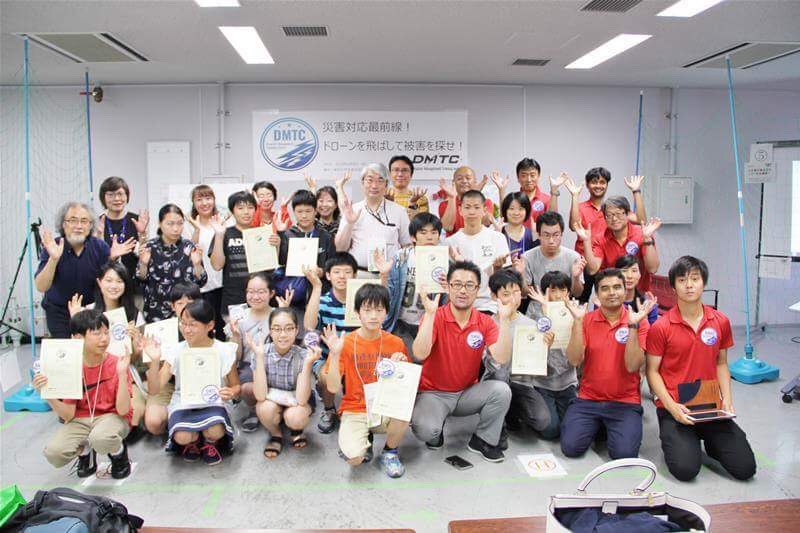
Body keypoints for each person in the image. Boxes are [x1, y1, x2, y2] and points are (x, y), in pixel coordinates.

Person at [646, 256, 756, 481]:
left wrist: (726, 399)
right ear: (673, 287)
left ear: (703, 283)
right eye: (682, 280)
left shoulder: (720, 321)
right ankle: (680, 437)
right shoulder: (661, 327)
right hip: (675, 406)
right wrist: (672, 407)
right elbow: (652, 371)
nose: (689, 285)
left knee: (745, 469)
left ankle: (713, 444)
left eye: (695, 279)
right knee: (685, 470)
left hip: (709, 405)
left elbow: (721, 363)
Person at [411, 261, 514, 462]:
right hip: (434, 393)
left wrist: (504, 320)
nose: (463, 290)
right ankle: (437, 427)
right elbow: (419, 354)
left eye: (469, 285)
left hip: (466, 393)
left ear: (478, 290)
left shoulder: (484, 321)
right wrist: (430, 315)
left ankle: (482, 440)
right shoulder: (435, 316)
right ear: (448, 287)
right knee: (426, 431)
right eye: (457, 284)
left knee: (502, 390)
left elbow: (501, 357)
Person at [560, 268, 656, 460]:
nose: (612, 292)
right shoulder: (586, 320)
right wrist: (577, 322)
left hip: (625, 402)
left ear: (625, 291)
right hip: (588, 399)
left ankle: (605, 427)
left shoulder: (639, 321)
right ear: (597, 294)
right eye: (605, 288)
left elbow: (632, 366)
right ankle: (600, 426)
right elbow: (574, 360)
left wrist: (633, 327)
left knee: (624, 455)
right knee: (571, 448)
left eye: (617, 287)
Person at [322, 284, 411, 477]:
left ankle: (390, 452)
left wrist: (400, 367)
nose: (373, 316)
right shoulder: (345, 343)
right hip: (355, 408)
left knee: (403, 411)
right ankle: (363, 441)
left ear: (386, 312)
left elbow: (406, 388)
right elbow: (333, 387)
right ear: (357, 313)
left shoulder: (396, 343)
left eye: (379, 310)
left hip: (385, 406)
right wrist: (335, 355)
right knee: (354, 459)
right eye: (367, 310)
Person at [35, 309, 133, 479]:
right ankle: (86, 451)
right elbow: (68, 414)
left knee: (101, 439)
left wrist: (122, 375)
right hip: (80, 419)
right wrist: (46, 394)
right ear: (78, 338)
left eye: (106, 333)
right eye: (97, 333)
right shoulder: (71, 366)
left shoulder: (117, 363)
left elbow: (123, 410)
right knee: (54, 453)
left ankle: (119, 453)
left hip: (112, 416)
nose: (104, 339)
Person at [144, 300, 240, 465]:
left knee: (214, 431)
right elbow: (154, 389)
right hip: (184, 401)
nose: (186, 329)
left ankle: (210, 442)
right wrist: (154, 361)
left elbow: (236, 386)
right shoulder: (176, 350)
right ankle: (193, 442)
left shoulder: (223, 350)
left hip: (214, 401)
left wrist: (231, 392)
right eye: (183, 323)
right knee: (183, 437)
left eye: (193, 325)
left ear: (210, 325)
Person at [66, 262, 145, 435]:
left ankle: (109, 430)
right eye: (109, 280)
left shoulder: (134, 314)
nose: (114, 286)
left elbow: (134, 360)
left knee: (134, 415)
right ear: (99, 282)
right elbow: (75, 354)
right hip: (93, 374)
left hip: (123, 373)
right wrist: (76, 320)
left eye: (119, 281)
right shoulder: (87, 311)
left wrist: (135, 344)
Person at [35, 202, 129, 338]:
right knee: (68, 349)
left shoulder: (100, 247)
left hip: (92, 311)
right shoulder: (53, 246)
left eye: (84, 221)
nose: (79, 226)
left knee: (94, 348)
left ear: (90, 226)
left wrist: (112, 258)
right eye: (73, 220)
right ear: (63, 224)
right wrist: (53, 259)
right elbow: (41, 287)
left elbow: (107, 280)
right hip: (59, 313)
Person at [482, 269, 553, 448]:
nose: (513, 299)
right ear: (494, 296)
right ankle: (497, 424)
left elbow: (540, 367)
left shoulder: (532, 325)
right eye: (506, 294)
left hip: (522, 383)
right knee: (500, 375)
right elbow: (486, 363)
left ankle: (512, 412)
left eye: (516, 293)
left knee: (542, 420)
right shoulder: (487, 324)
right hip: (495, 384)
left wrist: (545, 348)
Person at [245, 308, 319, 459]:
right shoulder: (260, 352)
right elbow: (260, 395)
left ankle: (296, 429)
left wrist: (307, 365)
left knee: (296, 417)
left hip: (297, 398)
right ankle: (276, 434)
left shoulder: (303, 355)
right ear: (270, 331)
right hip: (271, 397)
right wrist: (259, 357)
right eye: (277, 329)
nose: (283, 334)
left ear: (297, 330)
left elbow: (302, 400)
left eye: (289, 328)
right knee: (264, 408)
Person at [566, 167, 646, 302]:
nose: (598, 185)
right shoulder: (581, 207)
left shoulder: (612, 208)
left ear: (607, 185)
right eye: (594, 182)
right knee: (580, 299)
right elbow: (574, 226)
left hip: (607, 263)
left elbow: (641, 220)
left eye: (602, 182)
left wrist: (636, 191)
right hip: (586, 261)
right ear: (587, 185)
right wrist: (574, 196)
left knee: (608, 297)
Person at [303, 252, 360, 433]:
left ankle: (355, 409)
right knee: (326, 378)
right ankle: (329, 409)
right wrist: (317, 287)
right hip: (328, 357)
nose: (342, 276)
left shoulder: (361, 301)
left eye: (347, 272)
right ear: (328, 275)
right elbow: (309, 325)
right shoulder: (323, 301)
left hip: (355, 357)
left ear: (355, 275)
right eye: (336, 272)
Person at [523, 271, 579, 439]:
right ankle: (526, 413)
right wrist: (546, 312)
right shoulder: (534, 309)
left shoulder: (575, 310)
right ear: (545, 291)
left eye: (563, 290)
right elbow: (530, 348)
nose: (558, 295)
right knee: (551, 430)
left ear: (568, 292)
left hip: (567, 381)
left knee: (571, 429)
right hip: (543, 382)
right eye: (553, 290)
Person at [141, 282, 201, 440]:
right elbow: (156, 375)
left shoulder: (206, 326)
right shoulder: (161, 329)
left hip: (197, 382)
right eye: (180, 303)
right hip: (167, 382)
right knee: (153, 422)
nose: (185, 307)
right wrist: (151, 357)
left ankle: (189, 428)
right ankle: (175, 428)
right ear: (172, 306)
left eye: (190, 302)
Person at [380, 212, 446, 349]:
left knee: (422, 356)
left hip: (428, 323)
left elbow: (446, 304)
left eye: (434, 232)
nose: (429, 237)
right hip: (400, 322)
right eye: (423, 232)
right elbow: (389, 292)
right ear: (413, 237)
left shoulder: (444, 261)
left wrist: (448, 288)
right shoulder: (401, 257)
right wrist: (384, 275)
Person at [335, 164, 412, 274]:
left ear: (386, 185)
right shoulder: (352, 210)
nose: (374, 186)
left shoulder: (399, 211)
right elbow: (340, 249)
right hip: (359, 273)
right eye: (369, 180)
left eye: (380, 180)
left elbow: (408, 246)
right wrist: (349, 223)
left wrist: (393, 263)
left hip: (390, 274)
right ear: (362, 183)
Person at [136, 204, 207, 323]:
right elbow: (140, 280)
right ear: (160, 223)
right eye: (170, 224)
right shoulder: (150, 247)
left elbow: (201, 282)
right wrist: (143, 264)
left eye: (180, 223)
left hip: (187, 314)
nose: (175, 228)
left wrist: (197, 265)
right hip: (157, 313)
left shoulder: (189, 247)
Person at [578, 196, 661, 293]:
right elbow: (592, 269)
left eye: (618, 214)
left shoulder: (642, 234)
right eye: (609, 215)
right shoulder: (600, 239)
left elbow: (652, 269)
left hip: (639, 293)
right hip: (612, 293)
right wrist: (586, 241)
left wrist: (647, 239)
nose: (614, 219)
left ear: (628, 214)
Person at [446, 190, 510, 314]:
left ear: (484, 210)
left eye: (476, 207)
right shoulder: (450, 242)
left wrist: (497, 268)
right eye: (467, 207)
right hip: (459, 306)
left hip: (489, 305)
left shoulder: (497, 238)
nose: (472, 212)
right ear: (460, 210)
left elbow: (504, 280)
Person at [229, 272, 275, 432]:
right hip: (250, 366)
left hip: (275, 364)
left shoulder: (278, 314)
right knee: (247, 388)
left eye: (261, 292)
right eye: (250, 291)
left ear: (271, 293)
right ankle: (254, 409)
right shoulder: (239, 318)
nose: (255, 296)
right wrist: (235, 335)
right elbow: (236, 358)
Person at [276, 189, 336, 308]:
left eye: (308, 211)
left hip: (320, 296)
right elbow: (282, 262)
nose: (304, 216)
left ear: (315, 211)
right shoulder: (288, 235)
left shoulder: (326, 236)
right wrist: (280, 235)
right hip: (294, 295)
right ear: (294, 212)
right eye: (299, 211)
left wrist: (322, 272)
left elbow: (333, 265)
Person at [210, 191, 265, 317]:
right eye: (240, 208)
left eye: (250, 207)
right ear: (232, 211)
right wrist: (219, 235)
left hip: (260, 299)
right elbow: (217, 265)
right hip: (234, 300)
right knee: (235, 330)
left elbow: (269, 268)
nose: (246, 212)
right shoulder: (224, 233)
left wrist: (276, 245)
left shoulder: (261, 234)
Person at [186, 184, 226, 340]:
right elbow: (189, 252)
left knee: (221, 330)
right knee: (203, 329)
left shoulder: (222, 222)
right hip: (200, 287)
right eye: (199, 199)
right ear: (193, 203)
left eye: (208, 198)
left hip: (222, 284)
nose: (204, 203)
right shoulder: (189, 224)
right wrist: (196, 230)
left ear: (214, 200)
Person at [520, 211, 585, 298]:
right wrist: (521, 275)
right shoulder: (527, 257)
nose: (551, 241)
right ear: (539, 235)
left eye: (556, 235)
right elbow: (524, 294)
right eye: (546, 235)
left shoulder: (574, 257)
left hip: (564, 304)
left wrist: (576, 277)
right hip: (537, 304)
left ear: (561, 234)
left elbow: (577, 294)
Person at [96, 176, 149, 283]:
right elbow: (95, 260)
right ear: (103, 197)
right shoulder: (98, 223)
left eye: (120, 194)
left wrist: (143, 234)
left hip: (133, 283)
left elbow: (143, 255)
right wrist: (110, 256)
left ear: (127, 196)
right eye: (110, 195)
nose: (116, 199)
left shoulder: (136, 220)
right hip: (107, 285)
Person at [492, 159, 569, 228]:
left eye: (532, 175)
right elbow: (504, 218)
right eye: (524, 176)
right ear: (518, 178)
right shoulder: (513, 199)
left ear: (538, 176)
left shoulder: (547, 199)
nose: (529, 180)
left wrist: (554, 189)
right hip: (517, 238)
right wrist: (501, 191)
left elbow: (553, 221)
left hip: (538, 239)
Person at [438, 166, 494, 237]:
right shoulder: (444, 205)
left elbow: (486, 222)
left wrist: (475, 196)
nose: (464, 181)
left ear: (475, 182)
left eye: (468, 178)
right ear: (453, 182)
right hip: (455, 243)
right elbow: (447, 227)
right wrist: (452, 198)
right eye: (459, 179)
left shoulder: (486, 202)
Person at [616, 255, 659, 325]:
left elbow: (653, 332)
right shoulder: (606, 302)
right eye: (624, 271)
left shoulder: (648, 305)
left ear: (640, 275)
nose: (629, 276)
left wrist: (644, 318)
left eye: (634, 271)